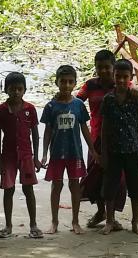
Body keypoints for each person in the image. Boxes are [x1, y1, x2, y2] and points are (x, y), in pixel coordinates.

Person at [41, 65, 98, 235]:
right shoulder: (51, 106)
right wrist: (44, 153)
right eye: (63, 81)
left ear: (74, 84)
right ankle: (54, 222)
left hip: (75, 153)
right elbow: (47, 132)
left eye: (70, 82)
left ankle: (75, 221)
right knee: (56, 186)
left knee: (75, 185)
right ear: (57, 82)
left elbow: (85, 129)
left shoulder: (79, 105)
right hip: (57, 153)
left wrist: (93, 150)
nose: (66, 85)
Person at [78, 49, 127, 228]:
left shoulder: (122, 85)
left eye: (107, 67)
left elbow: (137, 96)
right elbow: (77, 101)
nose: (104, 71)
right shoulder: (90, 85)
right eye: (100, 67)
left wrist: (136, 89)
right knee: (95, 177)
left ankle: (111, 217)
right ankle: (101, 211)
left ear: (113, 67)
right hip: (96, 138)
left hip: (118, 139)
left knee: (115, 179)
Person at [0, 72, 43, 239]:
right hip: (8, 156)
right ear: (6, 90)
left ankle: (34, 224)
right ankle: (8, 225)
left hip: (26, 155)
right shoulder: (0, 110)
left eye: (19, 89)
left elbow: (35, 134)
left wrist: (36, 157)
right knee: (9, 189)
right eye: (12, 89)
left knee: (28, 189)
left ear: (25, 90)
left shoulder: (30, 109)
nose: (16, 92)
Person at [100, 59, 138, 235]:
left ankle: (135, 221)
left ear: (131, 77)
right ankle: (110, 221)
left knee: (136, 187)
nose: (121, 80)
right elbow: (104, 128)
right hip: (113, 151)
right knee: (110, 188)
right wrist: (103, 152)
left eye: (124, 77)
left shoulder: (137, 98)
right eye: (118, 76)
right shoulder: (109, 100)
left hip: (133, 150)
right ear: (113, 76)